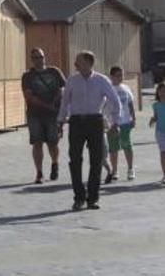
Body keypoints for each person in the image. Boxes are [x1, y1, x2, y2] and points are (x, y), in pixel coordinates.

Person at [58, 51, 121, 211]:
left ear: (88, 63)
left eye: (78, 61)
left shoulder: (102, 80)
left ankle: (93, 198)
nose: (75, 64)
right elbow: (64, 102)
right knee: (75, 159)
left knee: (96, 160)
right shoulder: (72, 80)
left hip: (95, 121)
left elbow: (115, 101)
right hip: (77, 121)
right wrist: (60, 122)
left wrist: (116, 122)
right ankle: (79, 197)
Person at [21, 48, 66, 183]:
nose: (38, 60)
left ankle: (54, 163)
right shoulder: (27, 76)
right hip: (35, 114)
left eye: (40, 57)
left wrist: (58, 102)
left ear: (44, 57)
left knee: (53, 143)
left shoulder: (54, 71)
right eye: (35, 58)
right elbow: (28, 96)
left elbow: (64, 88)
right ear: (31, 60)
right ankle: (39, 172)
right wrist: (47, 105)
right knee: (37, 142)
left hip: (53, 115)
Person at [106, 66, 136, 183]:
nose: (121, 77)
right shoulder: (108, 88)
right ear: (112, 76)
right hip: (112, 123)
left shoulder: (125, 88)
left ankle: (130, 169)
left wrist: (133, 118)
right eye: (118, 75)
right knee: (113, 148)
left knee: (127, 145)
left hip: (125, 122)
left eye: (122, 75)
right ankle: (115, 171)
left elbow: (130, 103)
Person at [149, 82, 165, 186]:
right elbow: (156, 116)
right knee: (164, 152)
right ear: (157, 92)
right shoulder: (155, 105)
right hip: (160, 132)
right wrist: (152, 120)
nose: (162, 93)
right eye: (160, 91)